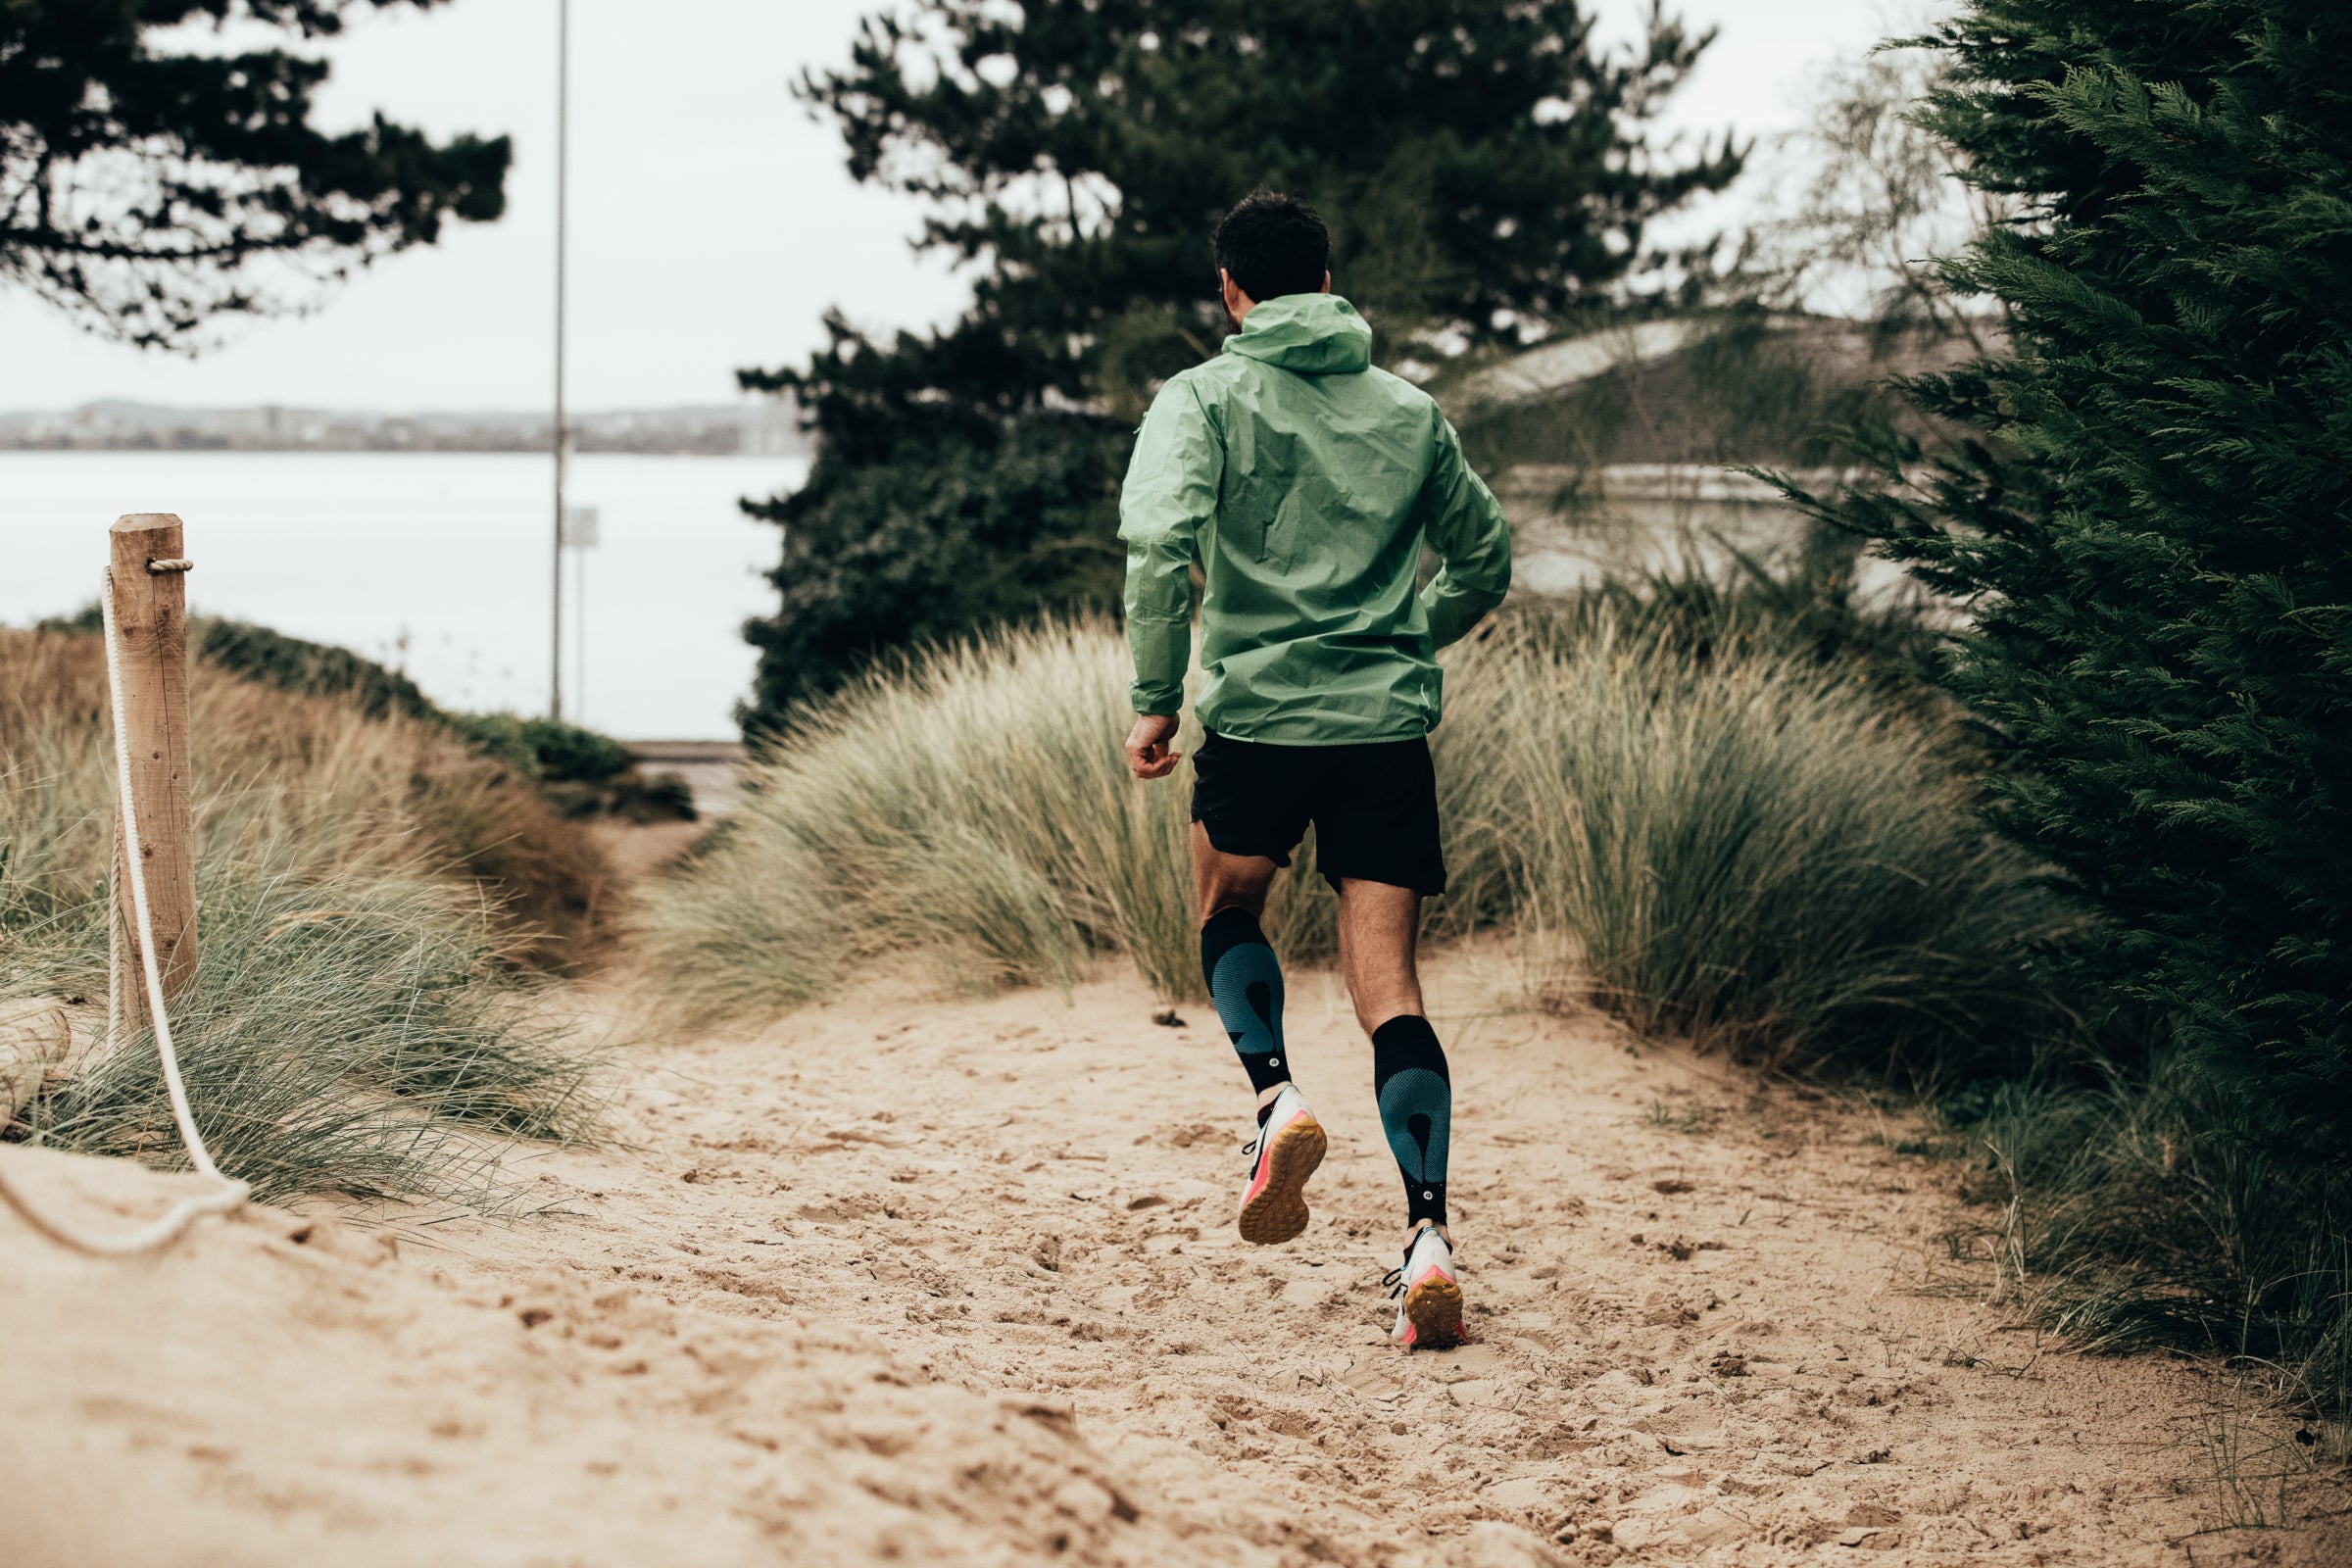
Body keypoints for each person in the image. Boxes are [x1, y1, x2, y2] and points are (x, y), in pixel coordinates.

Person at [1117, 189, 1513, 1349]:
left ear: (1232, 294)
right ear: (1328, 286)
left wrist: (1154, 695)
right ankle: (1429, 1239)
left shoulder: (1202, 398)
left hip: (1256, 726)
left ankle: (1275, 1098)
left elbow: (1158, 546)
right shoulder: (1411, 412)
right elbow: (1483, 557)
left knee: (1227, 902)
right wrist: (1403, 641)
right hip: (1383, 732)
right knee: (1390, 984)